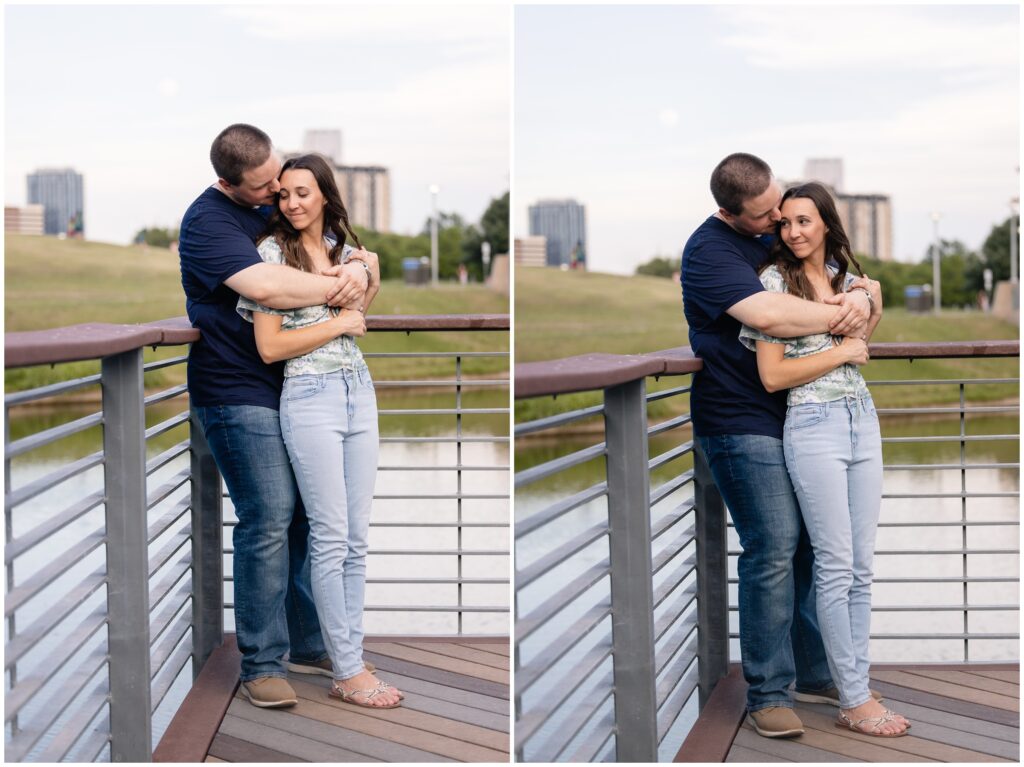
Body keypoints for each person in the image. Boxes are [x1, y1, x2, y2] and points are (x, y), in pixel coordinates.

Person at [680, 153, 879, 738]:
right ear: (730, 213)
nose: (778, 222)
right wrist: (845, 314)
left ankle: (815, 673)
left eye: (781, 206)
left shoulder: (773, 234)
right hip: (739, 419)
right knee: (773, 546)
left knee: (815, 549)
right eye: (766, 215)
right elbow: (770, 314)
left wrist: (864, 295)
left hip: (798, 416)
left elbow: (843, 278)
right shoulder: (709, 251)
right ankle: (768, 694)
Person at [179, 124, 372, 708]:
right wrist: (341, 286)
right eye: (265, 188)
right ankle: (262, 664)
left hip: (293, 387)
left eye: (280, 181)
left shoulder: (271, 205)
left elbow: (345, 251)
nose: (276, 195)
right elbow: (267, 286)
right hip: (236, 389)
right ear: (227, 183)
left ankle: (309, 643)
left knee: (308, 519)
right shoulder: (207, 222)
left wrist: (361, 267)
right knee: (268, 516)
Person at [739, 183, 908, 737]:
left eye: (804, 221)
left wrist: (871, 297)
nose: (793, 232)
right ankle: (854, 700)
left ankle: (855, 684)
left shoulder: (842, 278)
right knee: (835, 567)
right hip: (813, 427)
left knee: (860, 568)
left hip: (863, 422)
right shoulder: (772, 283)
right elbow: (773, 376)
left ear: (827, 224)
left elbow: (864, 339)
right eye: (785, 222)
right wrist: (844, 351)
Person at [237, 154, 401, 708]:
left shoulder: (340, 250)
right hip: (309, 398)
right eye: (284, 194)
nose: (291, 203)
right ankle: (348, 672)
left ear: (325, 195)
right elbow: (269, 347)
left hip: (359, 393)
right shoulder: (269, 255)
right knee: (330, 538)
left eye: (302, 192)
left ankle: (347, 653)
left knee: (356, 539)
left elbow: (362, 311)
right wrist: (341, 322)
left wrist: (369, 270)